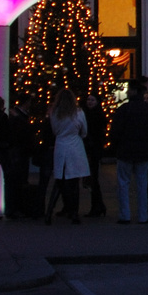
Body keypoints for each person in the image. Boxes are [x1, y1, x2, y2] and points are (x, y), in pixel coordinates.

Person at [109, 81, 148, 223]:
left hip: (125, 150)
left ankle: (125, 214)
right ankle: (143, 215)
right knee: (142, 183)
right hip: (144, 150)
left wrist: (115, 145)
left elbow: (115, 131)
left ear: (133, 91)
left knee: (123, 183)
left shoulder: (123, 110)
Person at [45, 89, 89, 225]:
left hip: (61, 146)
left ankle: (49, 211)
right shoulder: (78, 113)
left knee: (59, 181)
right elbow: (84, 131)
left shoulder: (54, 113)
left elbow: (54, 130)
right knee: (74, 182)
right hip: (75, 147)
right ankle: (74, 213)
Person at [81, 92, 109, 218]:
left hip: (92, 150)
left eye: (92, 100)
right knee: (92, 178)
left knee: (92, 178)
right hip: (91, 149)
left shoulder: (94, 116)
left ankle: (97, 206)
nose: (89, 102)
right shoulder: (88, 114)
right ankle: (99, 205)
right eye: (88, 100)